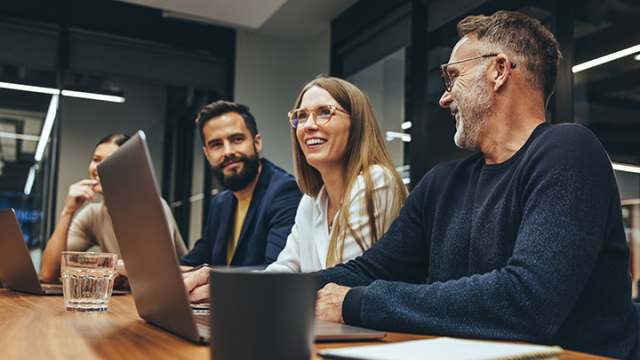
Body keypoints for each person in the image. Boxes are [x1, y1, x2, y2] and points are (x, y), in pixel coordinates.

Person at [314, 11, 638, 360]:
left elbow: (527, 301)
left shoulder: (569, 150)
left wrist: (357, 302)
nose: (444, 98)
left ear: (499, 70)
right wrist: (280, 291)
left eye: (453, 77)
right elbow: (368, 271)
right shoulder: (441, 184)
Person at [183, 76, 409, 302]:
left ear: (357, 123)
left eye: (324, 112)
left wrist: (230, 289)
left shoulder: (376, 181)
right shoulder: (312, 200)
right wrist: (222, 282)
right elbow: (283, 269)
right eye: (301, 116)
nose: (309, 125)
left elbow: (341, 284)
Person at [41, 134, 187, 283]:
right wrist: (67, 212)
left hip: (179, 298)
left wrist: (108, 268)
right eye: (96, 159)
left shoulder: (153, 207)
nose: (98, 167)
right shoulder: (93, 214)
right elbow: (48, 272)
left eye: (109, 161)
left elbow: (154, 273)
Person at [178, 100, 302, 269]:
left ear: (256, 143)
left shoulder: (285, 191)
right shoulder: (220, 203)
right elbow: (191, 263)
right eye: (216, 145)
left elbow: (275, 272)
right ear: (207, 154)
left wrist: (210, 279)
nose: (227, 152)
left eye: (236, 139)